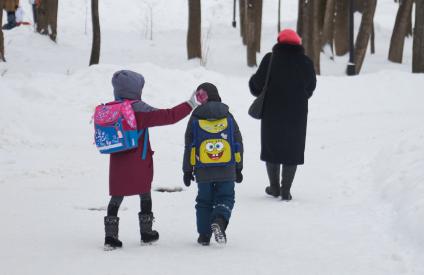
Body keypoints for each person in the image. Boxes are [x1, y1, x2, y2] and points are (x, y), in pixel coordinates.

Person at [104, 70, 207, 250]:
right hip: (139, 161)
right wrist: (191, 104)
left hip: (118, 162)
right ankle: (146, 232)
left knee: (117, 196)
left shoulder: (111, 109)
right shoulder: (139, 109)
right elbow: (169, 116)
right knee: (144, 192)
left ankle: (110, 237)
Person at [249, 29, 316, 201]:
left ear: (279, 41)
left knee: (272, 147)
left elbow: (256, 85)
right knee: (292, 148)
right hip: (297, 114)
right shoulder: (306, 62)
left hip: (272, 112)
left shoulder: (270, 59)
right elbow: (310, 87)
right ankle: (286, 190)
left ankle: (274, 187)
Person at [182, 83, 243, 245]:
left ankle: (204, 235)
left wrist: (187, 170)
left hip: (203, 169)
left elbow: (189, 145)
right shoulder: (227, 115)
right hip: (227, 167)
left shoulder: (196, 116)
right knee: (226, 197)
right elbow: (237, 142)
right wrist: (239, 167)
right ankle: (220, 220)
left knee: (204, 201)